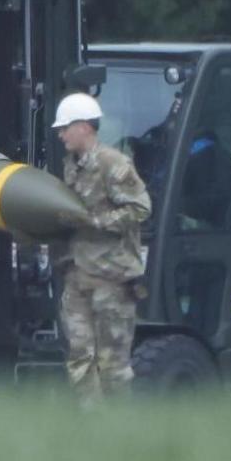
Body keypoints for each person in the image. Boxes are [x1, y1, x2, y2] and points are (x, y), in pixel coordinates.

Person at [53, 93, 152, 406]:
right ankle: (91, 422)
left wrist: (96, 222)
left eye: (65, 128)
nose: (60, 134)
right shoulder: (70, 166)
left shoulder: (113, 164)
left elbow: (140, 208)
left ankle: (117, 425)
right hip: (78, 276)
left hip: (112, 280)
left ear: (84, 127)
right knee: (79, 358)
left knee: (112, 365)